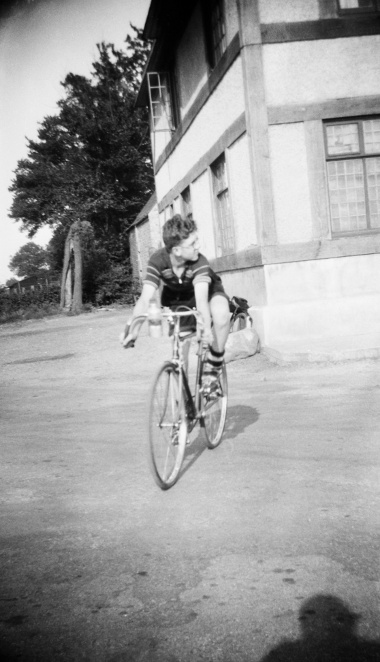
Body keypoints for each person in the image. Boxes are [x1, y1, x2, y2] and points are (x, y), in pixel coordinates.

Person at [121, 214, 230, 388]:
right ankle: (183, 403)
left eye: (197, 241)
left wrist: (205, 328)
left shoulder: (199, 261)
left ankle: (214, 364)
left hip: (207, 293)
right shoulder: (158, 261)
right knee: (180, 353)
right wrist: (133, 330)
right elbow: (145, 299)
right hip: (178, 299)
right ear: (177, 250)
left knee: (221, 315)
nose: (198, 246)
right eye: (192, 243)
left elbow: (202, 300)